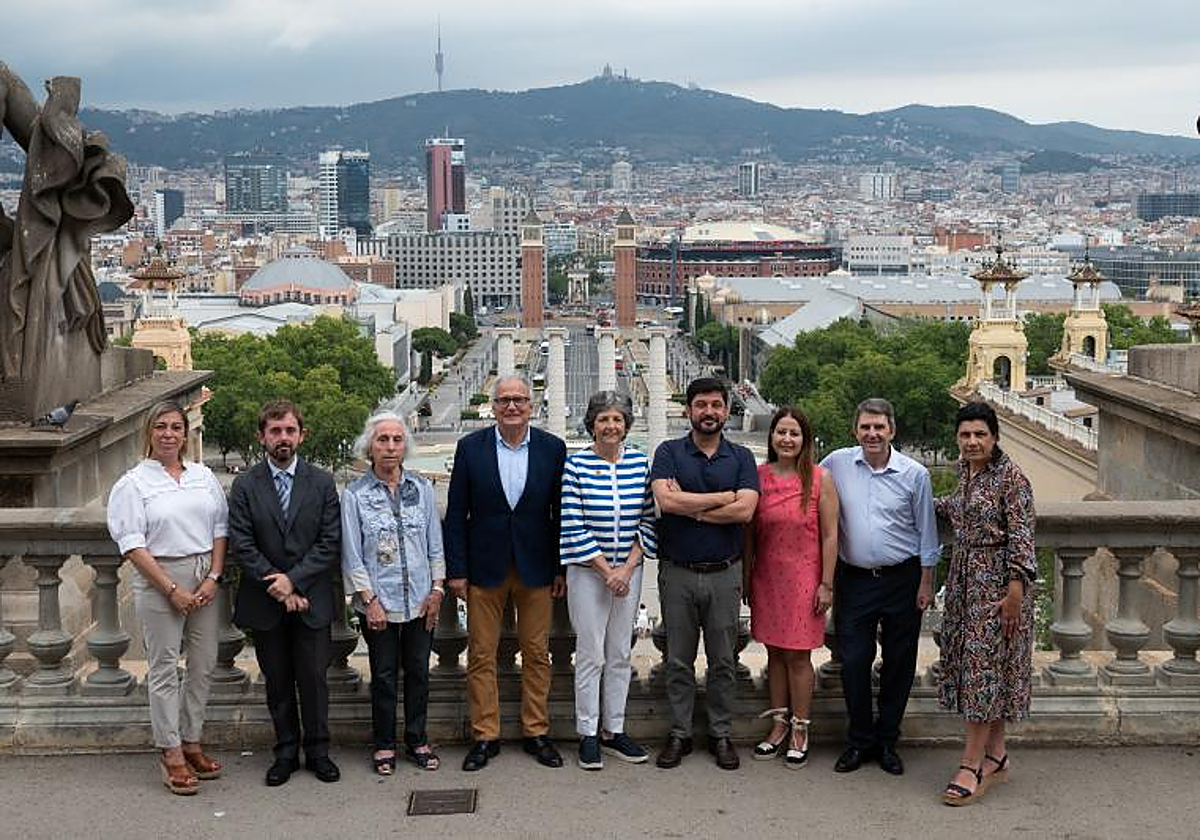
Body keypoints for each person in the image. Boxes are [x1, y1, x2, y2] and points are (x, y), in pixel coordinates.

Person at [445, 376, 568, 771]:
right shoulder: (470, 448)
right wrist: (457, 570)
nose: (511, 406)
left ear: (530, 405)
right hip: (484, 567)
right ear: (494, 407)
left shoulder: (553, 448)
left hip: (536, 568)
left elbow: (560, 514)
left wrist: (559, 567)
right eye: (504, 401)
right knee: (481, 655)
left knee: (537, 654)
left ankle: (536, 731)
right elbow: (456, 515)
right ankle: (486, 736)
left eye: (518, 400)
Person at [106, 401, 228, 795]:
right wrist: (171, 589)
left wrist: (213, 576)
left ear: (185, 431)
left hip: (204, 574)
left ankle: (192, 740)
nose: (170, 434)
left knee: (204, 662)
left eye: (176, 426)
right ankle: (170, 750)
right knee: (162, 668)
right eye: (161, 427)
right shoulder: (134, 483)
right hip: (161, 576)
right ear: (148, 433)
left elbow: (220, 528)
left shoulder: (202, 476)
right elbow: (131, 544)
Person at [821, 397, 939, 776]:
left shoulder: (914, 474)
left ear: (892, 430)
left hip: (902, 579)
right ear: (855, 430)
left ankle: (887, 741)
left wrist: (925, 583)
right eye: (865, 427)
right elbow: (804, 486)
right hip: (854, 580)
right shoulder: (836, 463)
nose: (872, 434)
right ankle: (858, 741)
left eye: (879, 427)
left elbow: (927, 533)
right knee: (853, 661)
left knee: (899, 664)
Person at [228, 400, 342, 787]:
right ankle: (286, 752)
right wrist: (277, 585)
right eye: (275, 431)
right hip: (266, 601)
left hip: (311, 599)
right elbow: (242, 544)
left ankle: (320, 752)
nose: (283, 438)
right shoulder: (245, 485)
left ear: (301, 435)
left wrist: (294, 581)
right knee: (276, 682)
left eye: (290, 431)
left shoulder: (323, 483)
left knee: (314, 680)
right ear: (262, 436)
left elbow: (330, 542)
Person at [650, 377, 759, 770]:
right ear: (688, 410)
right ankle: (679, 733)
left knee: (723, 661)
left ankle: (720, 733)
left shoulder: (742, 457)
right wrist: (720, 499)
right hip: (677, 571)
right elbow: (664, 500)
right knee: (677, 660)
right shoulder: (667, 451)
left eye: (716, 405)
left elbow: (746, 511)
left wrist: (689, 506)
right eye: (701, 405)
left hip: (725, 573)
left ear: (727, 410)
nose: (709, 412)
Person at [937, 402, 1036, 805]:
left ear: (994, 436)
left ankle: (970, 763)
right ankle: (996, 755)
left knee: (982, 672)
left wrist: (1014, 594)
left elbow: (1023, 538)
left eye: (980, 434)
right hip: (965, 581)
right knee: (985, 668)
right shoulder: (965, 472)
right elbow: (956, 508)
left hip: (997, 588)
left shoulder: (1012, 479)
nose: (972, 441)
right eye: (965, 435)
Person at [341, 411, 445, 774]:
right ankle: (384, 743)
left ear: (405, 446)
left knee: (419, 671)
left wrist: (436, 590)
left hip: (420, 599)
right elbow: (352, 553)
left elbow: (435, 544)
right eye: (382, 440)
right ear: (370, 446)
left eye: (396, 440)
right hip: (379, 602)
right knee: (383, 674)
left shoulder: (422, 489)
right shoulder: (354, 495)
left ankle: (417, 738)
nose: (389, 447)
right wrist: (369, 601)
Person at [560, 390, 658, 770]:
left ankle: (614, 730)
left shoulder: (639, 463)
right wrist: (606, 571)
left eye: (617, 419)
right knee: (590, 654)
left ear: (627, 425)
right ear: (592, 425)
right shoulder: (576, 466)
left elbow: (648, 519)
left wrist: (627, 568)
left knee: (619, 653)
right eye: (603, 419)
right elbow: (573, 523)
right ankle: (587, 732)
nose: (611, 426)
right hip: (588, 574)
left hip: (627, 573)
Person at [745, 406, 839, 769]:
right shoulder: (759, 476)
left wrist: (826, 583)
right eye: (781, 432)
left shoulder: (819, 479)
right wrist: (746, 579)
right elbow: (749, 534)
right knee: (774, 654)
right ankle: (778, 725)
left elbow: (831, 536)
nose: (787, 439)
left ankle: (801, 728)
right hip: (768, 576)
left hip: (805, 577)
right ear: (771, 438)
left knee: (799, 656)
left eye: (794, 433)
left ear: (805, 440)